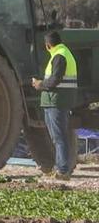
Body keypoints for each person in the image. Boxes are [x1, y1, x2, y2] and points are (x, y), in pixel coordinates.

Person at [32, 30, 78, 180]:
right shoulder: (63, 53)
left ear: (47, 45)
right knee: (57, 137)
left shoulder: (59, 56)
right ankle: (60, 168)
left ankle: (63, 170)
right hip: (54, 101)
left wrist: (39, 84)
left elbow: (55, 80)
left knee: (59, 137)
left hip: (57, 101)